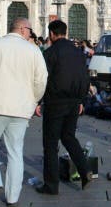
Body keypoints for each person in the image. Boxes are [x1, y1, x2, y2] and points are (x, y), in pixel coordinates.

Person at [0, 18, 47, 206]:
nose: (31, 33)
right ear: (22, 29)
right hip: (21, 108)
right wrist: (34, 100)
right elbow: (41, 80)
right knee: (15, 152)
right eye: (30, 29)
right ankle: (12, 198)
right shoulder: (33, 50)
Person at [35, 19, 92, 196]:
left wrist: (37, 101)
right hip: (74, 102)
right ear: (65, 33)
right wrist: (82, 100)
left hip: (55, 103)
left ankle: (51, 186)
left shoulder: (50, 53)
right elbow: (85, 77)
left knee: (51, 144)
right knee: (68, 137)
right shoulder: (78, 53)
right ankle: (84, 171)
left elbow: (43, 79)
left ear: (52, 34)